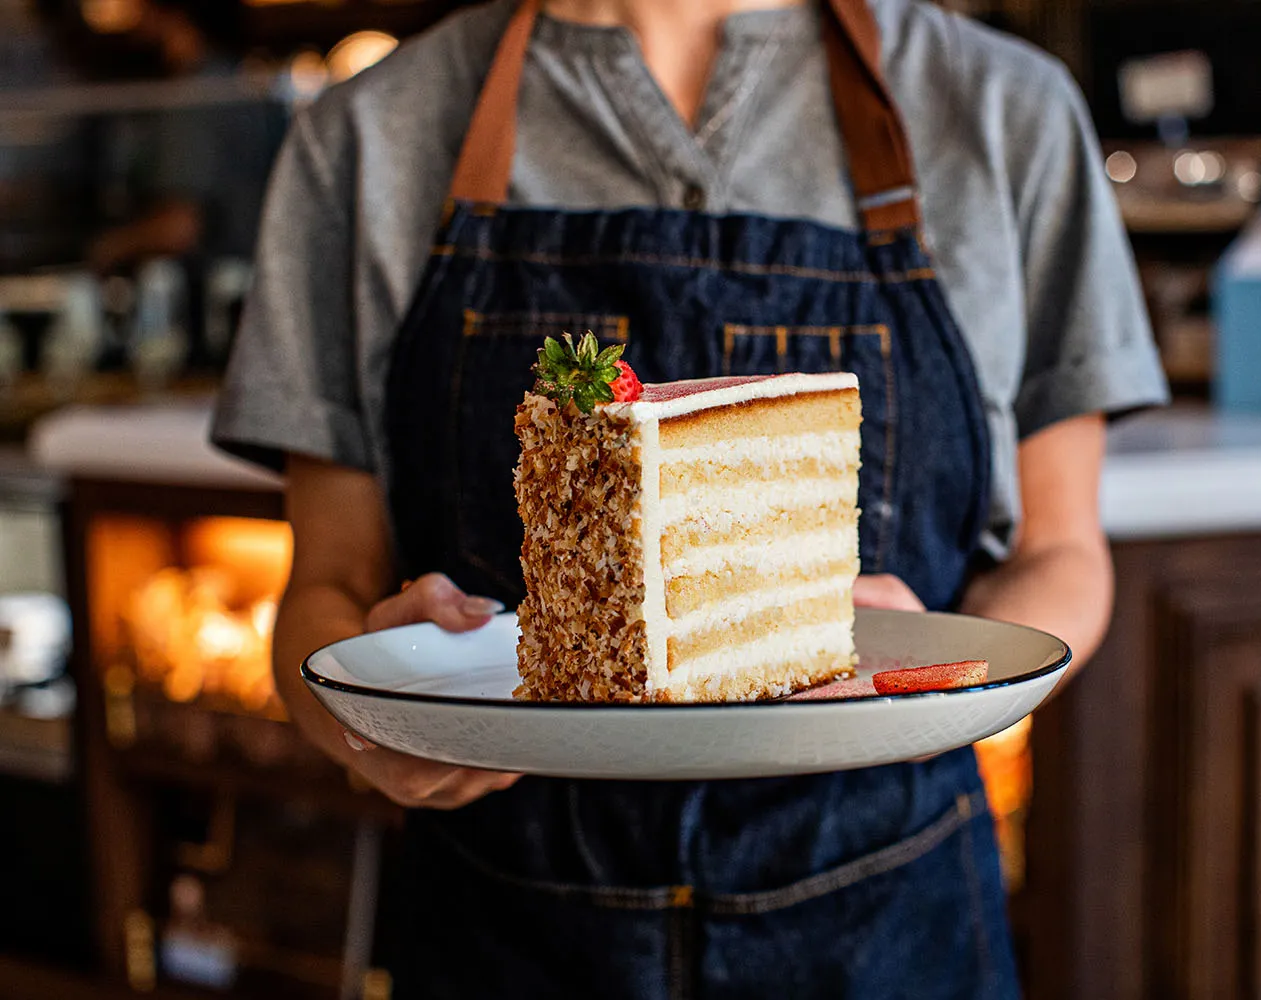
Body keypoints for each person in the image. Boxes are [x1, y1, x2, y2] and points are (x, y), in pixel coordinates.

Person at [211, 0, 1168, 995]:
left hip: (890, 925)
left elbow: (1066, 556)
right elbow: (319, 592)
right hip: (504, 925)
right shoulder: (367, 134)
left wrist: (923, 678)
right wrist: (371, 725)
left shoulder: (1003, 108)